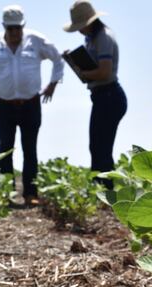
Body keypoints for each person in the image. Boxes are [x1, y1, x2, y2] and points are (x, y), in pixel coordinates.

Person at [0, 5, 64, 205]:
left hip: (31, 104)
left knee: (30, 149)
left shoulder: (36, 40)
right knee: (5, 149)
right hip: (4, 105)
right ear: (4, 27)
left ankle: (30, 194)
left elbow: (58, 59)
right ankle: (6, 194)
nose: (15, 32)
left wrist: (53, 83)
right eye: (10, 28)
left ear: (23, 26)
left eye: (18, 28)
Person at [64, 0, 127, 190]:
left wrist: (83, 73)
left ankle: (106, 191)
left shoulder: (104, 38)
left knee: (102, 147)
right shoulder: (91, 38)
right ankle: (100, 189)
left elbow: (104, 72)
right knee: (96, 146)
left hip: (110, 96)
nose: (79, 31)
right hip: (101, 97)